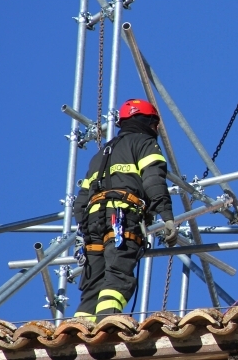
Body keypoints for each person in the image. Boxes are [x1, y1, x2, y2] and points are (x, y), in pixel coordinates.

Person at [73, 99, 178, 322]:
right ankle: (108, 325)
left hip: (93, 222)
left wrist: (86, 232)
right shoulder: (145, 144)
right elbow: (153, 181)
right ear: (150, 122)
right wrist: (167, 217)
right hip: (121, 219)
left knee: (94, 283)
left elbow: (80, 203)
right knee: (118, 275)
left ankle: (79, 330)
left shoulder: (101, 154)